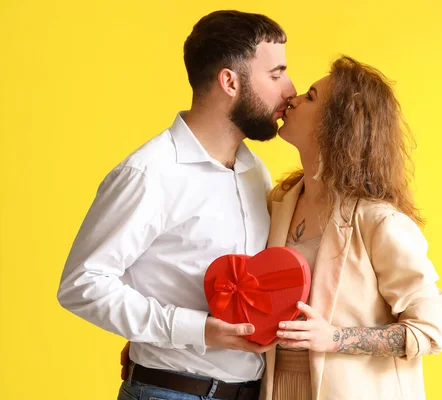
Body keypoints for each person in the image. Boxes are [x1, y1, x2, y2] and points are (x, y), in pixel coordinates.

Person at [57, 10, 296, 400]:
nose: (289, 89)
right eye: (276, 74)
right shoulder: (150, 173)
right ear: (229, 81)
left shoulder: (256, 171)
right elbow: (82, 285)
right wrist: (194, 329)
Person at [260, 56, 442, 400]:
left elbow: (431, 331)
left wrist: (335, 338)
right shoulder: (280, 202)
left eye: (311, 96)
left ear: (337, 125)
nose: (294, 100)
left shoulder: (380, 223)